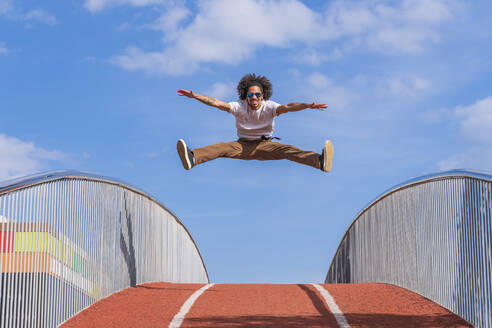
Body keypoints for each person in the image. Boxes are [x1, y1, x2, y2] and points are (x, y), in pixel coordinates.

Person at [176, 73, 333, 172]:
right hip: (242, 146)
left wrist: (307, 105)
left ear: (262, 96)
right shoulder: (239, 106)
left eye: (257, 94)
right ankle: (193, 158)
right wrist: (196, 96)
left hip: (266, 146)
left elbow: (288, 107)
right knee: (221, 147)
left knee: (288, 150)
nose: (254, 98)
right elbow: (218, 103)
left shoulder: (270, 107)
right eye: (251, 95)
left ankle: (319, 161)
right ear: (246, 96)